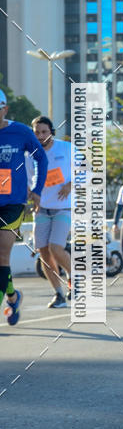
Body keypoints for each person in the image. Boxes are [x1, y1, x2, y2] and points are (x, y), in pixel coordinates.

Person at [0, 89, 47, 325]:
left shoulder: (20, 131)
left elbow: (41, 158)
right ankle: (12, 295)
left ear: (5, 109)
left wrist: (37, 190)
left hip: (12, 203)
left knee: (2, 253)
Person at [30, 116, 72, 307]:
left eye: (44, 131)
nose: (40, 136)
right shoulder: (29, 155)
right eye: (37, 132)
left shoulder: (66, 148)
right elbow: (27, 182)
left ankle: (74, 278)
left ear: (51, 131)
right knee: (44, 253)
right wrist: (31, 195)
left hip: (63, 207)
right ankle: (59, 294)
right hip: (41, 210)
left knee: (56, 247)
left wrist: (70, 185)